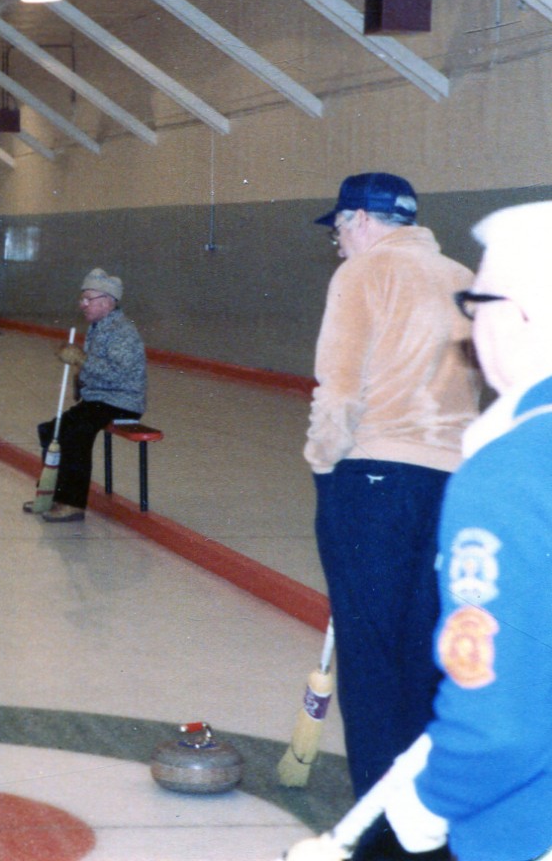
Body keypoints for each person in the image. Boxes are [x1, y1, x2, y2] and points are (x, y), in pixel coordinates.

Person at [306, 172, 480, 860]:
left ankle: (380, 838)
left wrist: (324, 465)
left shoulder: (362, 274)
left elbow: (339, 386)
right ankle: (427, 826)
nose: (337, 242)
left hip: (373, 480)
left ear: (361, 219)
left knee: (372, 661)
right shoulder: (462, 276)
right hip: (451, 486)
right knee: (424, 656)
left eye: (338, 228)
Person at [382, 201, 552, 861]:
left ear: (523, 314)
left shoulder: (512, 469)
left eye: (476, 304)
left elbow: (501, 723)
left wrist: (431, 799)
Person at [27, 267, 145, 521]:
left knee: (75, 434)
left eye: (88, 299)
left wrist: (81, 359)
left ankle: (73, 503)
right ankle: (52, 494)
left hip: (121, 400)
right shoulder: (98, 326)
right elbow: (97, 368)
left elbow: (117, 375)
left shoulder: (122, 332)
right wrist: (80, 376)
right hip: (100, 398)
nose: (82, 305)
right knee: (51, 430)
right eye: (82, 299)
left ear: (108, 302)